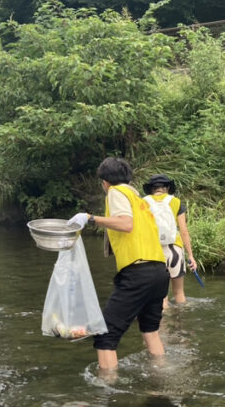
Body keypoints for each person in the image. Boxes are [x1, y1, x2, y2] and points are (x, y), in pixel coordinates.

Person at [67, 157, 169, 371]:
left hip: (138, 272)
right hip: (160, 272)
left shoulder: (115, 192)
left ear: (104, 182)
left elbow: (126, 223)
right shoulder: (140, 200)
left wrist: (90, 218)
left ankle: (108, 392)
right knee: (150, 330)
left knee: (105, 335)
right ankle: (161, 378)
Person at [142, 174, 198, 305]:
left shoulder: (143, 202)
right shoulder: (176, 202)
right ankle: (180, 323)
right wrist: (191, 256)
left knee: (161, 297)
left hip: (153, 252)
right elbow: (184, 231)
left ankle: (163, 324)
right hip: (174, 250)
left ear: (151, 189)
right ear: (167, 188)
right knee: (179, 293)